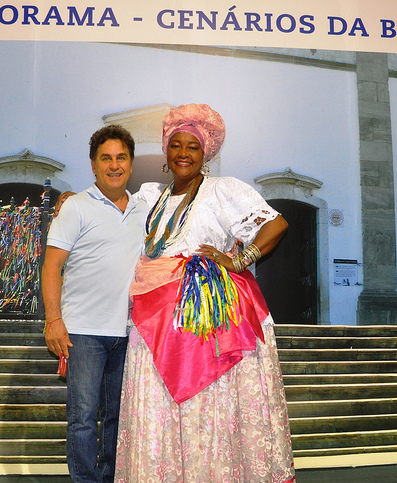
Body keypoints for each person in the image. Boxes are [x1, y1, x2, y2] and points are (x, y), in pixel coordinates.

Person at [114, 103, 296, 482]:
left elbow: (276, 224)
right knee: (159, 406)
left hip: (204, 319)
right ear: (165, 151)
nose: (183, 153)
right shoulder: (151, 197)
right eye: (176, 145)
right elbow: (116, 218)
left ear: (205, 153)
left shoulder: (220, 191)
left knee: (208, 404)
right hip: (154, 320)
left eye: (192, 147)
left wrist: (239, 260)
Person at [42, 125, 148, 483]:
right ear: (93, 164)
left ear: (131, 163)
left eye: (121, 158)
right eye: (106, 158)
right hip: (83, 333)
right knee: (83, 419)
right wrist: (53, 320)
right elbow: (51, 267)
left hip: (129, 332)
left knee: (119, 418)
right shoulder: (75, 207)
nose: (114, 165)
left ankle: (111, 478)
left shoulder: (145, 210)